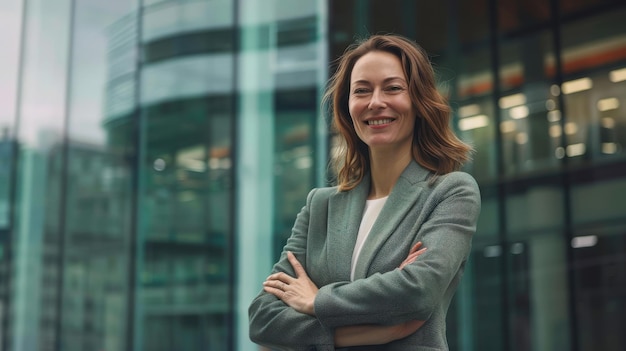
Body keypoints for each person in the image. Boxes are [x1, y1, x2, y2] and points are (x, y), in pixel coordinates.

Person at [248, 34, 481, 350]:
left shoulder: (450, 192)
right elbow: (262, 317)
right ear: (347, 107)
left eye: (392, 88)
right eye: (362, 91)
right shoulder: (321, 206)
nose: (375, 102)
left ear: (419, 100)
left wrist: (318, 300)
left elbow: (416, 292)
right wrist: (366, 333)